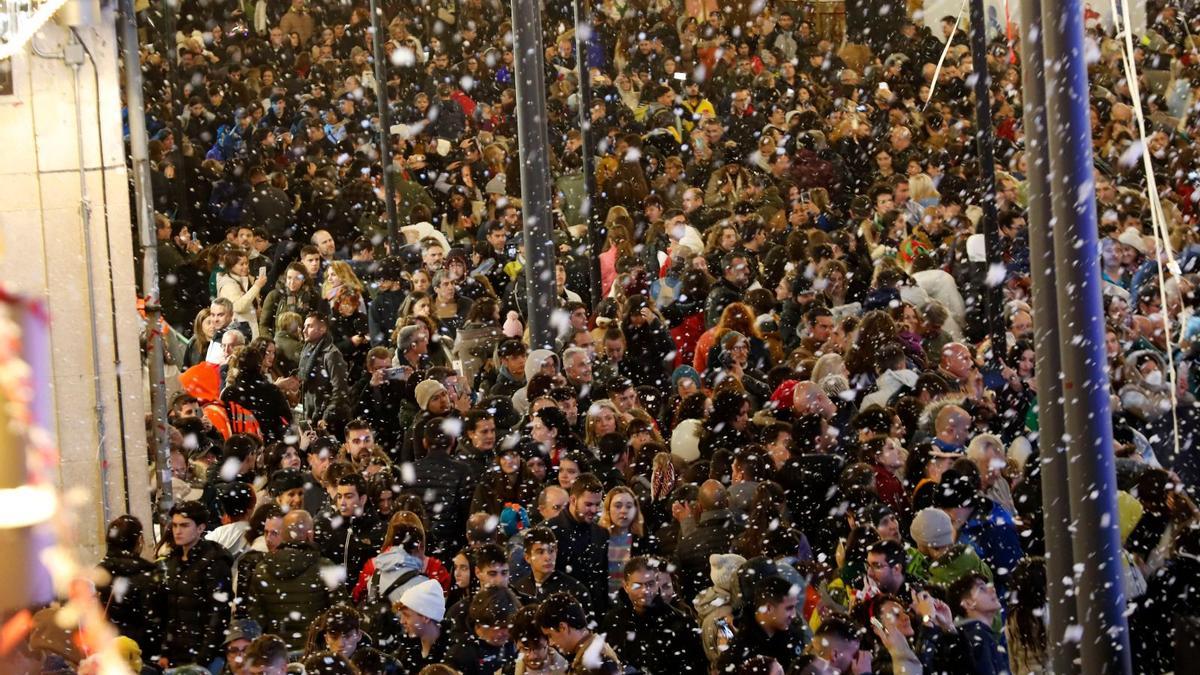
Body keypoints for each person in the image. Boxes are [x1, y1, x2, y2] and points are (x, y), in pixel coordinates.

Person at [246, 510, 335, 650]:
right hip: (314, 651)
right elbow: (339, 614)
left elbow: (255, 620)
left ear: (283, 534)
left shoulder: (261, 569)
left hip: (275, 653)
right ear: (310, 535)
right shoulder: (325, 568)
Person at [601, 556, 707, 674]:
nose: (645, 591)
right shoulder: (613, 621)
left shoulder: (680, 621)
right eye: (638, 585)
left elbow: (696, 667)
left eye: (650, 584)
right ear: (626, 586)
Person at [161, 500, 233, 668]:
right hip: (176, 654)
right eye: (175, 526)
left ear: (200, 528)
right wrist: (165, 650)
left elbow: (219, 614)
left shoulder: (214, 562)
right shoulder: (173, 561)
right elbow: (169, 611)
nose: (177, 531)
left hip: (203, 654)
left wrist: (203, 657)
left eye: (184, 526)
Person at [97, 515, 164, 660]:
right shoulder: (148, 575)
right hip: (138, 653)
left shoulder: (98, 574)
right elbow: (153, 621)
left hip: (105, 651)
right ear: (139, 540)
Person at [716, 575, 810, 672]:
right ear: (768, 608)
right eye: (789, 608)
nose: (794, 615)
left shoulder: (792, 633)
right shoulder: (739, 654)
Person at [547, 473, 610, 613]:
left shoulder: (601, 534)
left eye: (597, 505)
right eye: (588, 504)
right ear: (573, 500)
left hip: (595, 615)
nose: (593, 510)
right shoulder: (550, 532)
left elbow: (603, 580)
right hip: (561, 613)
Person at [536, 592, 622, 674]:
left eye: (550, 635)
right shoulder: (593, 652)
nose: (551, 643)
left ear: (563, 627)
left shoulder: (592, 662)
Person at [513, 526, 590, 613]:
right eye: (540, 552)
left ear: (556, 552)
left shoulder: (575, 590)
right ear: (527, 557)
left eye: (551, 551)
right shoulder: (519, 589)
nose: (548, 557)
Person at [396, 578, 452, 672]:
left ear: (426, 617)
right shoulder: (406, 650)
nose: (402, 621)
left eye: (406, 615)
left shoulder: (451, 656)